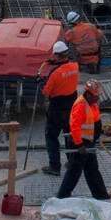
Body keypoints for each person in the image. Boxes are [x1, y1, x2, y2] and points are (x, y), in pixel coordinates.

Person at [57, 81, 110, 201]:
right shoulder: (81, 105)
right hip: (80, 143)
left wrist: (100, 130)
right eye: (96, 96)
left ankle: (101, 195)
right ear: (89, 94)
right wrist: (79, 145)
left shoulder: (91, 104)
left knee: (92, 170)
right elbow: (74, 127)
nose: (98, 98)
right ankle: (62, 196)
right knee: (74, 171)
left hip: (88, 142)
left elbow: (93, 121)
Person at [40, 42, 79, 178]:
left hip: (57, 109)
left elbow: (46, 91)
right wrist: (55, 62)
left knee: (51, 136)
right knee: (69, 135)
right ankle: (72, 162)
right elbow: (65, 71)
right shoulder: (75, 67)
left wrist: (40, 82)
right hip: (72, 107)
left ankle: (55, 167)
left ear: (56, 55)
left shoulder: (55, 73)